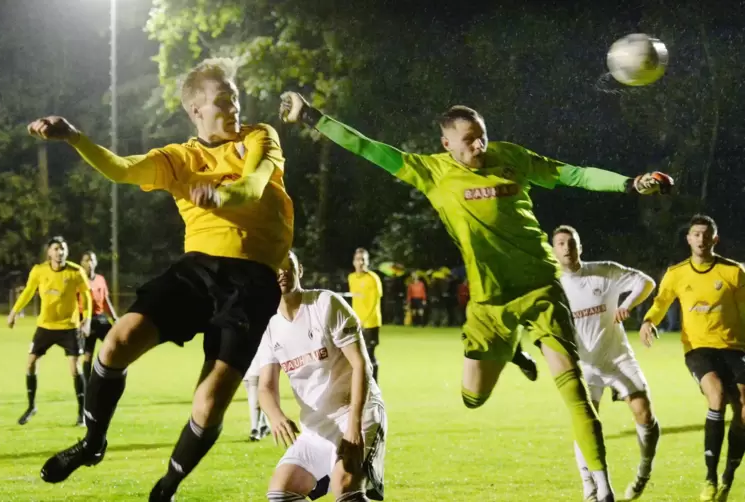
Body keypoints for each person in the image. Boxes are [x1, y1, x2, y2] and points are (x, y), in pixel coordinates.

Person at [280, 93, 674, 502]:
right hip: (489, 303)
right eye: (468, 140)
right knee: (473, 398)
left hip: (541, 286)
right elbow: (368, 148)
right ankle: (510, 353)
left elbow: (571, 174)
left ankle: (603, 491)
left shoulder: (510, 157)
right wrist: (312, 116)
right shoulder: (432, 172)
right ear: (446, 143)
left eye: (482, 137)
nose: (478, 145)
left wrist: (630, 183)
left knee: (574, 391)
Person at [29, 57, 293, 501]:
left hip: (253, 282)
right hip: (198, 269)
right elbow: (121, 169)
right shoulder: (178, 158)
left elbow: (252, 187)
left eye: (237, 98)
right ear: (196, 110)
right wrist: (73, 137)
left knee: (208, 404)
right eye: (225, 100)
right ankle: (92, 444)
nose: (236, 108)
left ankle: (166, 487)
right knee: (114, 344)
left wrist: (218, 194)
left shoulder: (259, 136)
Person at [258, 251, 386, 502]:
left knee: (346, 489)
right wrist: (276, 417)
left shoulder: (325, 304)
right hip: (315, 427)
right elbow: (265, 387)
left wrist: (354, 427)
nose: (282, 272)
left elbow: (361, 365)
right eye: (276, 268)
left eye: (289, 266)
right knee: (280, 492)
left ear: (300, 270)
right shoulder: (269, 326)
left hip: (357, 414)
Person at [641, 215, 745, 502]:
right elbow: (661, 302)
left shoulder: (733, 272)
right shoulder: (676, 273)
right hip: (698, 348)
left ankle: (728, 476)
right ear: (688, 239)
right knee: (717, 393)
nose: (700, 239)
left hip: (735, 348)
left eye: (706, 234)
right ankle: (710, 479)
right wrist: (649, 321)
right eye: (695, 234)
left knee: (744, 409)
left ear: (715, 238)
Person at [552, 225, 660, 501]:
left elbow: (646, 282)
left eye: (571, 242)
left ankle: (644, 470)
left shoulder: (603, 271)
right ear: (554, 251)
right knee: (586, 423)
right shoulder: (553, 286)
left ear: (580, 246)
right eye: (561, 243)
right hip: (584, 364)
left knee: (644, 413)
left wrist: (628, 304)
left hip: (617, 356)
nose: (567, 248)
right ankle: (589, 486)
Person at [7, 236, 92, 426]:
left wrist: (87, 320)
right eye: (56, 249)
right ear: (49, 252)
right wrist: (13, 312)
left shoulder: (76, 272)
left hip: (69, 327)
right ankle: (31, 407)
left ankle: (82, 414)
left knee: (75, 369)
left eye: (62, 248)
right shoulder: (39, 271)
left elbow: (86, 296)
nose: (59, 252)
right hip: (45, 326)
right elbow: (28, 292)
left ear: (66, 251)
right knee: (30, 363)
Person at [79, 251, 118, 383]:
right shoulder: (79, 280)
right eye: (86, 260)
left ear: (95, 262)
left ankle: (108, 377)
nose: (89, 263)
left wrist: (114, 317)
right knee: (87, 354)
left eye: (92, 260)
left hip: (100, 319)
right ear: (82, 263)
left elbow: (106, 300)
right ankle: (87, 384)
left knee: (114, 345)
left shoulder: (100, 279)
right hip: (85, 319)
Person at [348, 248, 383, 382]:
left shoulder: (373, 278)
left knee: (370, 354)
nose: (360, 262)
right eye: (358, 259)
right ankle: (361, 385)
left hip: (371, 323)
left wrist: (364, 319)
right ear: (354, 262)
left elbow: (375, 302)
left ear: (367, 262)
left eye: (363, 259)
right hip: (356, 322)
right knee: (356, 356)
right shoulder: (351, 278)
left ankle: (374, 385)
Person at [243, 350, 271, 442]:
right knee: (253, 398)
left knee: (256, 400)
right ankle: (264, 425)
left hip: (258, 364)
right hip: (246, 364)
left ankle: (255, 429)